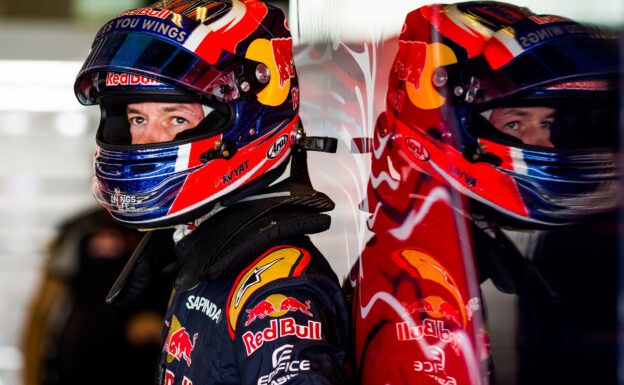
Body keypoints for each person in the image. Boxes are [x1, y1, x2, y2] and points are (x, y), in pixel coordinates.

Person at [73, 1, 349, 385]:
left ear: (242, 127)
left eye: (176, 118)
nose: (145, 139)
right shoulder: (203, 248)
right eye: (137, 118)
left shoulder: (277, 289)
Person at [346, 2, 620, 384]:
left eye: (546, 122)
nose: (545, 142)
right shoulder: (425, 296)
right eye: (515, 122)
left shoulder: (441, 248)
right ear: (450, 128)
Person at [22, 207, 168, 385]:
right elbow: (40, 313)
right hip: (77, 368)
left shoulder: (168, 230)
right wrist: (30, 379)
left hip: (145, 368)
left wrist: (163, 326)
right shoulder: (80, 230)